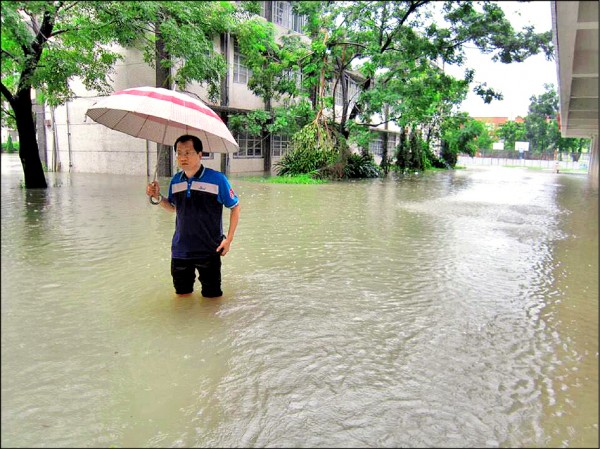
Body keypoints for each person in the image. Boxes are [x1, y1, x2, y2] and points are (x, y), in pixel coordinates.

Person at [146, 134, 240, 297]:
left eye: (188, 152)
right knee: (182, 296)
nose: (183, 157)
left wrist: (229, 239)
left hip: (209, 249)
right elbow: (173, 208)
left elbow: (235, 207)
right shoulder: (176, 181)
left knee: (212, 298)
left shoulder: (217, 179)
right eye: (179, 153)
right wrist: (158, 197)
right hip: (180, 250)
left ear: (200, 154)